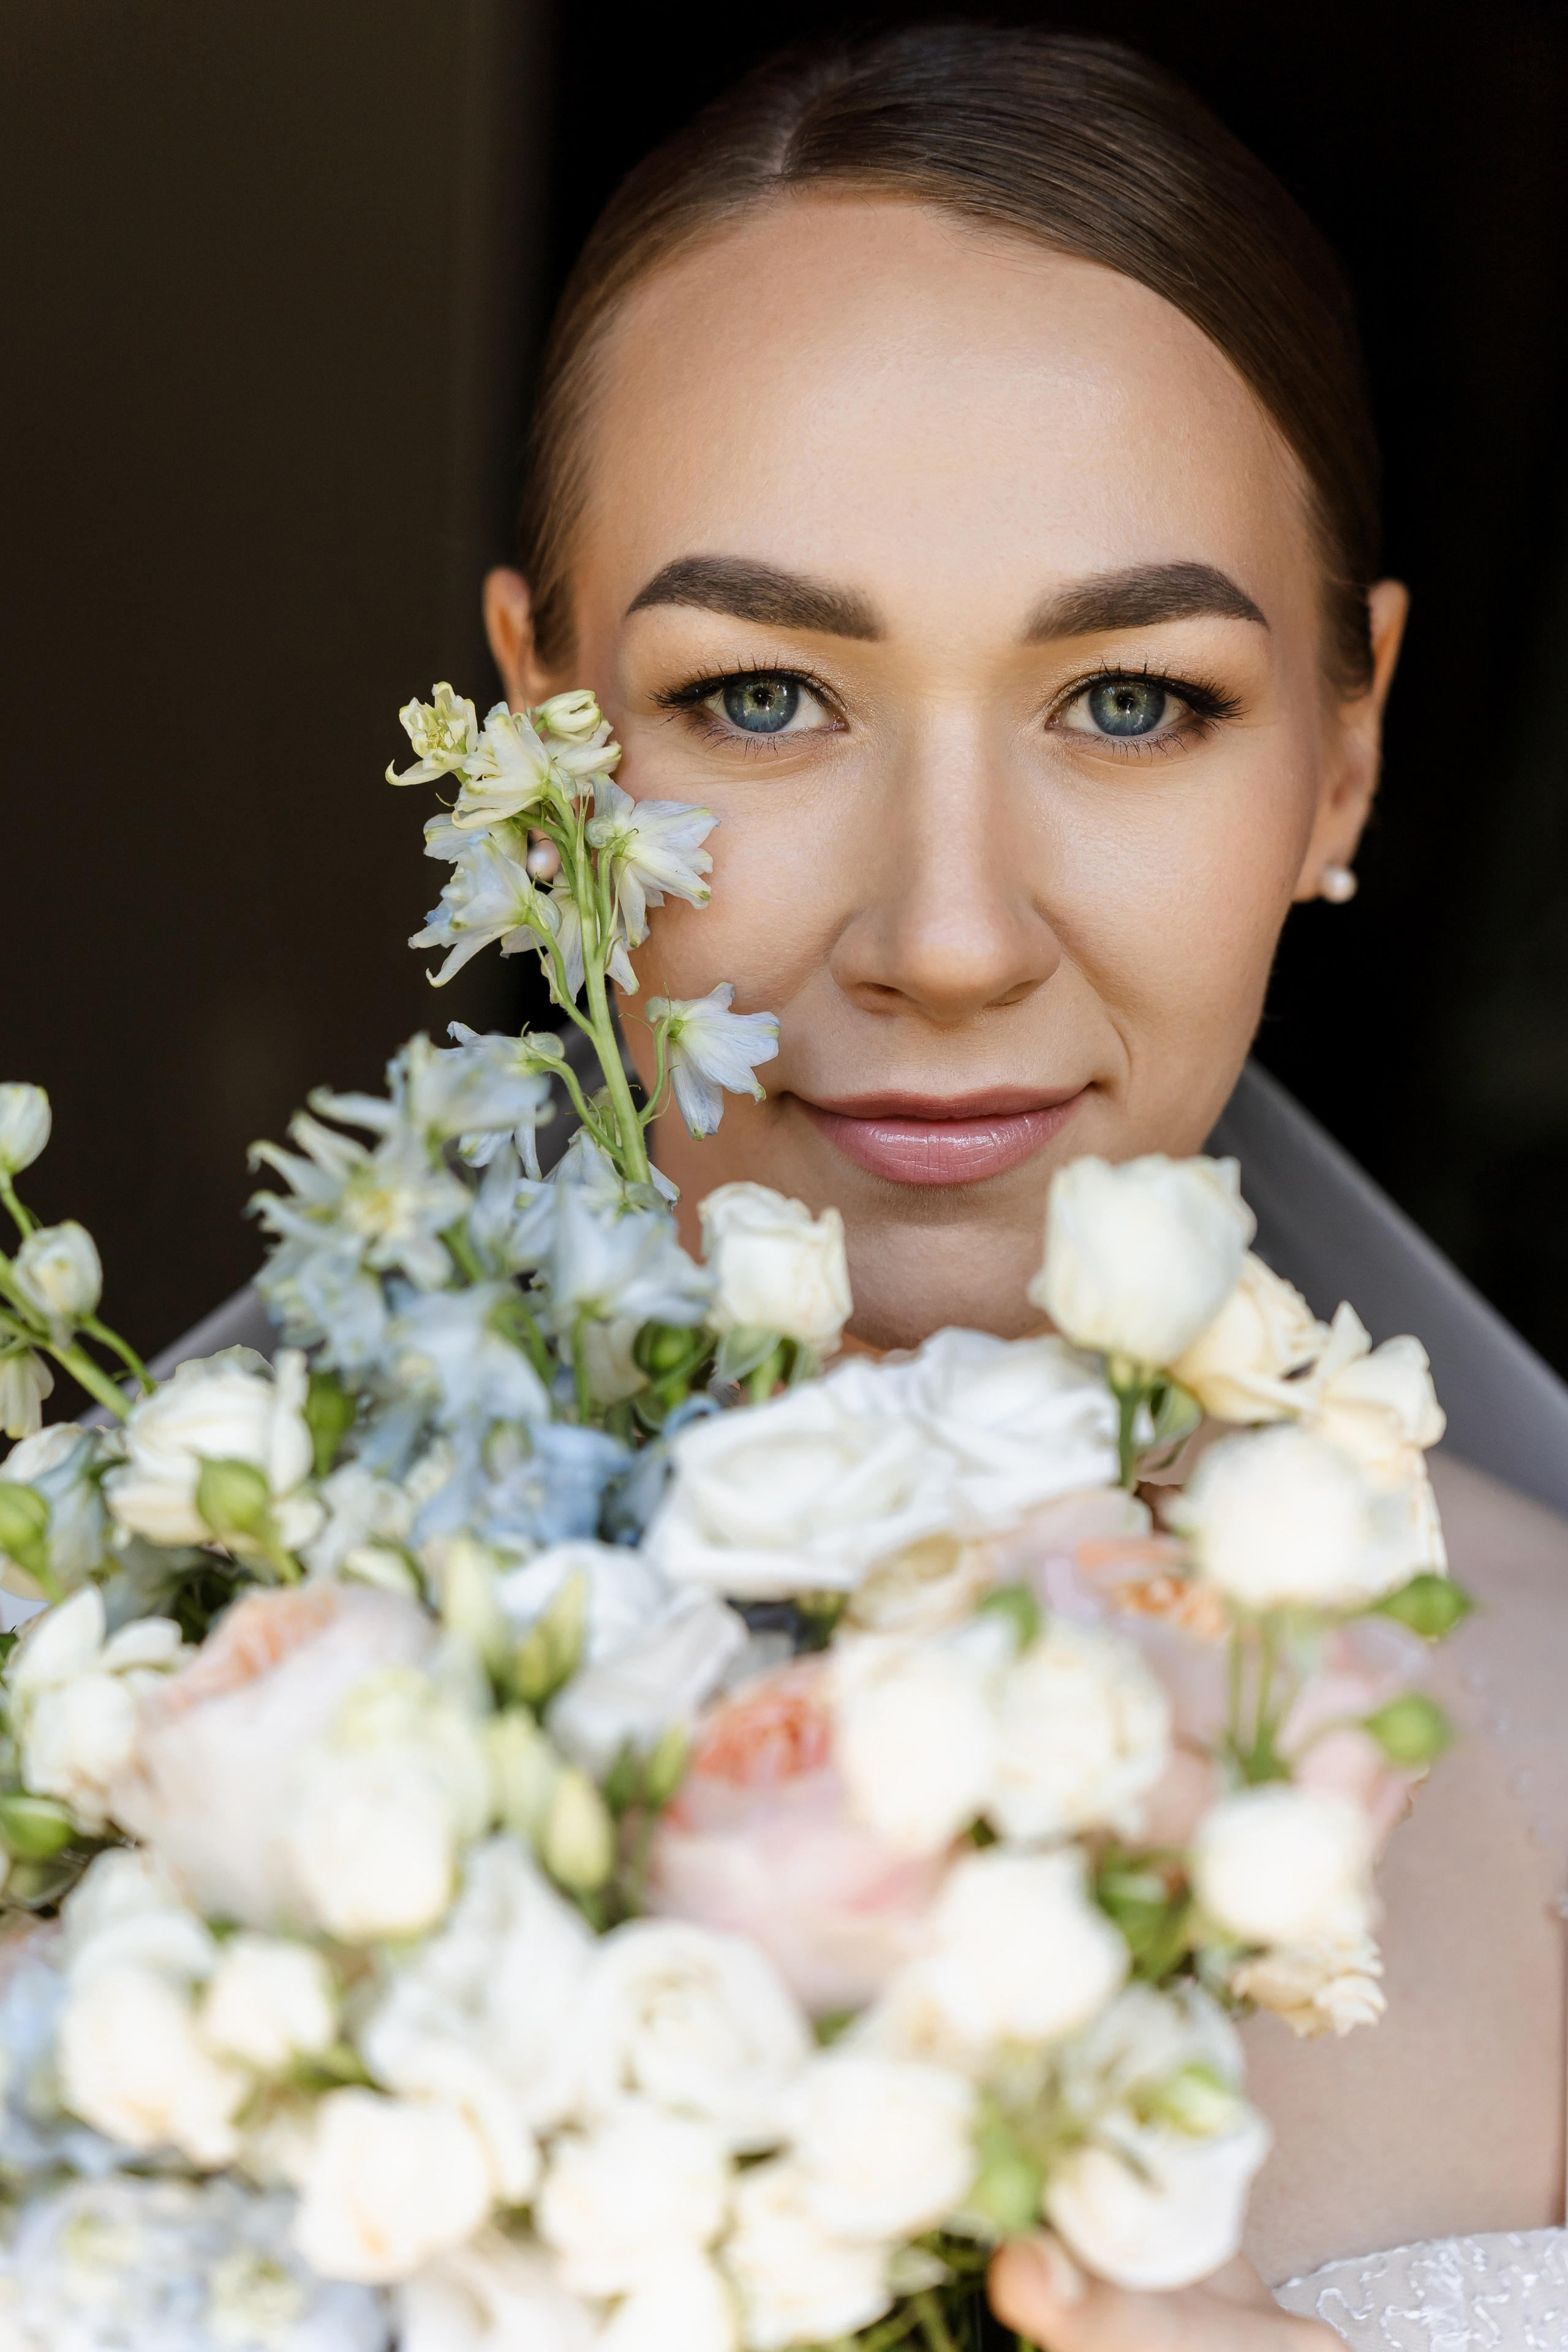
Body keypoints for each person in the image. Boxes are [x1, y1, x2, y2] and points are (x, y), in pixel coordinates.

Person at [467, 26, 1568, 2348]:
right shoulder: (145, 1746)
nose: (950, 938)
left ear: (1347, 753)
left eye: (1135, 699)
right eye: (760, 695)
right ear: (538, 719)